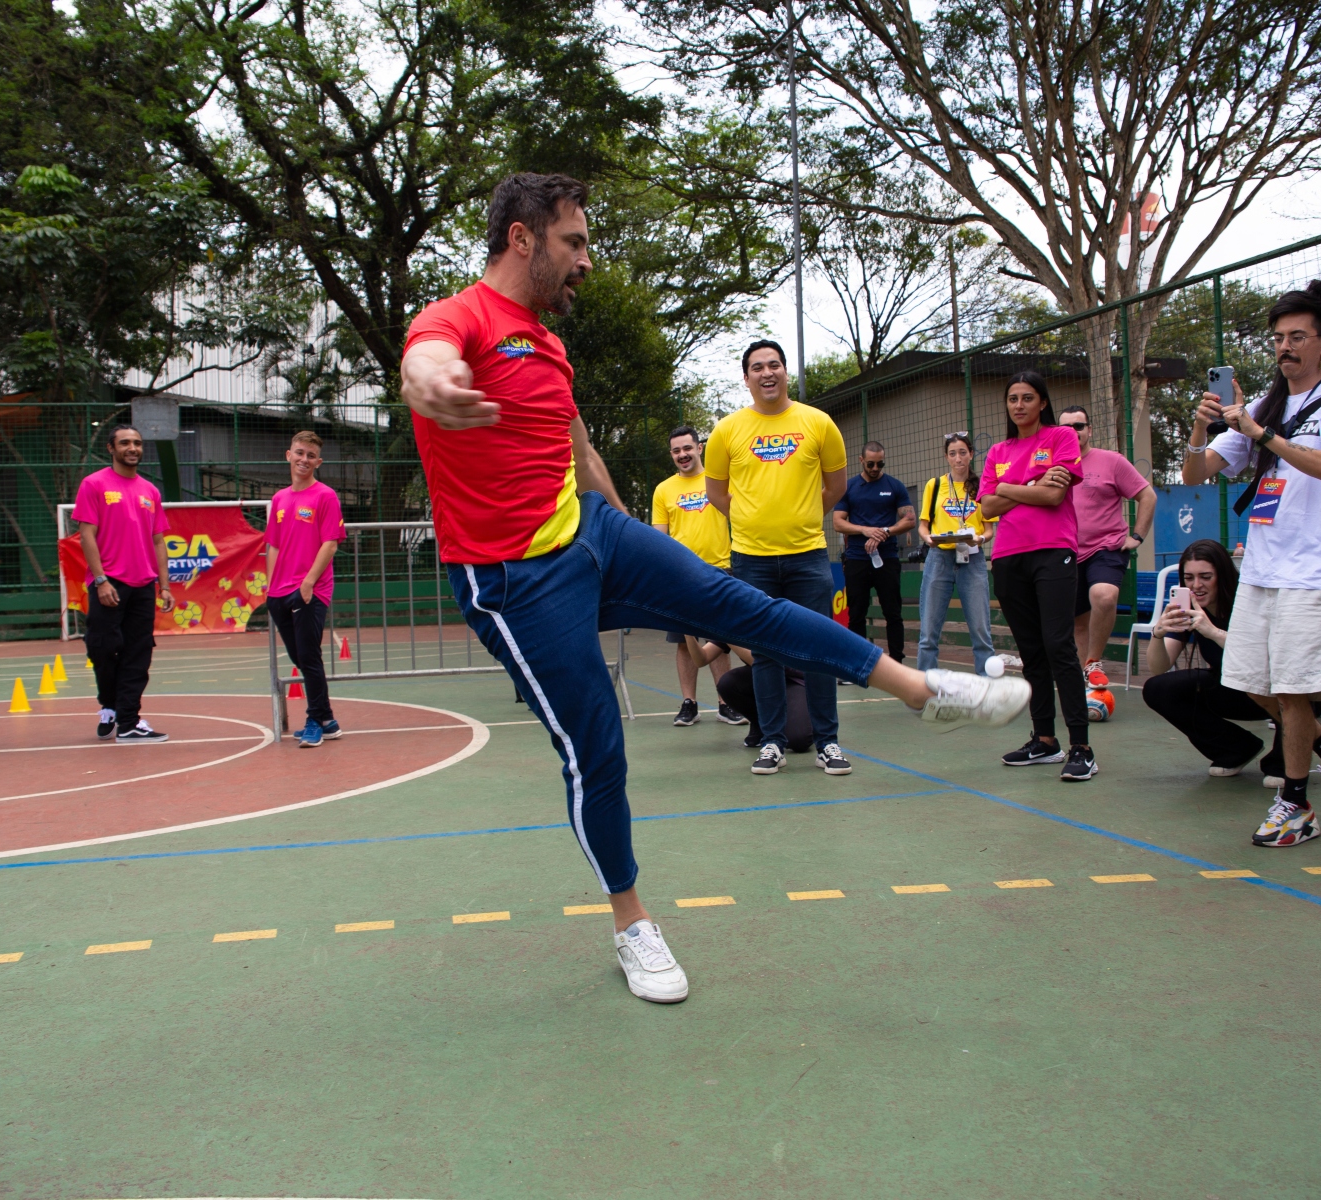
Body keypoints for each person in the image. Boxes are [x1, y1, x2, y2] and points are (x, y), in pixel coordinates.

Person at [399, 172, 1029, 1004]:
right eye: (574, 242)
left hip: (590, 532)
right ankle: (633, 925)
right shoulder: (458, 318)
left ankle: (922, 691)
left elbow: (579, 451)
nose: (586, 259)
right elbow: (424, 360)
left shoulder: (548, 343)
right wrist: (434, 385)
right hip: (512, 576)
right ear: (523, 239)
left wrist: (628, 533)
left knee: (745, 606)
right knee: (596, 751)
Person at [1182, 278, 1321, 848]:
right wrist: (1203, 423)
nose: (1284, 347)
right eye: (1277, 339)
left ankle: (1296, 804)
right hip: (1263, 569)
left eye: (1297, 337)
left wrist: (1263, 432)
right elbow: (1196, 475)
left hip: (1314, 573)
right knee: (1252, 684)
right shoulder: (1260, 409)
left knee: (1292, 692)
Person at [705, 340, 856, 778]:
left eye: (774, 365)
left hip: (808, 556)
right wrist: (753, 519)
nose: (766, 373)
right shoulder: (727, 431)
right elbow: (716, 493)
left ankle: (829, 743)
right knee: (766, 653)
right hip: (751, 561)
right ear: (746, 377)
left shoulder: (818, 423)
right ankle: (771, 742)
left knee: (820, 649)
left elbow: (836, 486)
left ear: (785, 371)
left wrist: (802, 517)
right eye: (757, 367)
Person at [980, 371, 1097, 782]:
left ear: (1042, 402)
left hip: (1053, 553)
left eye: (1027, 398)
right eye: (1013, 398)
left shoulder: (1061, 439)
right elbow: (987, 509)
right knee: (1031, 650)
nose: (1019, 405)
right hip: (1009, 557)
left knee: (1058, 644)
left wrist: (1009, 488)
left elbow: (1053, 496)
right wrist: (1029, 482)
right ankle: (1045, 740)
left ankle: (1081, 746)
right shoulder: (998, 449)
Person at [73, 423, 174, 743]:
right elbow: (86, 535)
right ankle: (110, 705)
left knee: (138, 653)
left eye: (138, 443)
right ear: (111, 448)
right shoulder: (93, 484)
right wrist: (101, 579)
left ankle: (128, 721)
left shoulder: (150, 491)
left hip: (143, 585)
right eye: (126, 443)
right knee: (101, 647)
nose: (133, 448)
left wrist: (165, 585)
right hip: (109, 583)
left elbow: (159, 541)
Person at [1141, 540, 1273, 775]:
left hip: (1273, 690)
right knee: (1157, 688)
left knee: (1277, 771)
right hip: (1232, 690)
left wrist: (1212, 632)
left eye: (1205, 577)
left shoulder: (1247, 601)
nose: (1196, 585)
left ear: (1222, 575)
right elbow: (1159, 668)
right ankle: (1236, 748)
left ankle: (1294, 754)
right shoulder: (1189, 609)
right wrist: (1158, 633)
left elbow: (1262, 658)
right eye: (1189, 578)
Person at [1057, 406, 1155, 690]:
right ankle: (1084, 678)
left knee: (1104, 596)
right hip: (1066, 552)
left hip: (1106, 547)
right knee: (1077, 622)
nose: (1072, 432)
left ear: (1089, 430)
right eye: (1065, 428)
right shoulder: (1052, 466)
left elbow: (1147, 496)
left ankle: (1094, 661)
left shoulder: (1112, 461)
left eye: (1078, 426)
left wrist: (1138, 536)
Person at [650, 425, 740, 727]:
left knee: (720, 640)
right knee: (683, 642)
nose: (682, 455)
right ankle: (689, 703)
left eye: (687, 448)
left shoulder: (717, 481)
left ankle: (726, 702)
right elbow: (659, 538)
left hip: (720, 570)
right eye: (676, 451)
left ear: (699, 448)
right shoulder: (663, 490)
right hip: (681, 576)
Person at [265, 431, 349, 747]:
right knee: (300, 656)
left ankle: (315, 720)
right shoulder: (279, 499)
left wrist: (308, 582)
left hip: (310, 590)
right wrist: (271, 589)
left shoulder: (325, 496)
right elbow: (272, 545)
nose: (304, 460)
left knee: (309, 656)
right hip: (280, 593)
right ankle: (328, 719)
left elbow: (330, 544)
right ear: (288, 455)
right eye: (299, 453)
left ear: (318, 462)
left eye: (310, 456)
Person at [915, 432, 996, 674]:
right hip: (939, 557)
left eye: (962, 452)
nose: (958, 458)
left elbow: (989, 529)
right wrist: (927, 538)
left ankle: (986, 683)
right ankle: (925, 686)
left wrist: (980, 538)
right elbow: (923, 525)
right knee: (928, 630)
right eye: (952, 454)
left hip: (972, 557)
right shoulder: (935, 485)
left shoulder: (983, 486)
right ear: (946, 457)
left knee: (981, 630)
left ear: (971, 454)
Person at [832, 441, 914, 667]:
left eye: (880, 463)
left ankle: (897, 662)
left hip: (887, 558)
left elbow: (909, 520)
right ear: (861, 461)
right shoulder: (849, 487)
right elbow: (838, 522)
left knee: (893, 612)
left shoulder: (894, 486)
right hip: (857, 558)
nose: (876, 468)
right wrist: (865, 530)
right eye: (871, 464)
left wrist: (885, 532)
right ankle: (857, 663)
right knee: (856, 613)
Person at [715, 655, 815, 754]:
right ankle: (762, 724)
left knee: (798, 740)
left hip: (795, 679)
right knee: (728, 683)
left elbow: (758, 660)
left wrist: (734, 640)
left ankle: (814, 716)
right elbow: (703, 658)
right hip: (766, 676)